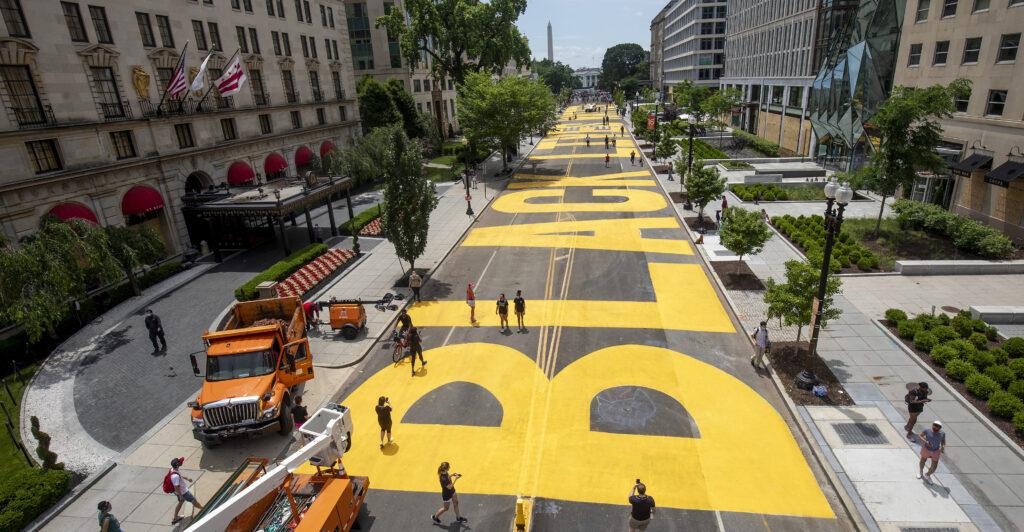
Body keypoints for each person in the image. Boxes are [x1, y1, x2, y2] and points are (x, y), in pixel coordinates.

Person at [170, 457, 204, 524]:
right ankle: (203, 509)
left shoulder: (172, 470)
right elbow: (176, 486)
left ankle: (175, 518)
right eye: (179, 462)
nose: (181, 463)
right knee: (194, 501)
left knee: (180, 502)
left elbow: (179, 476)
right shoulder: (175, 477)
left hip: (179, 492)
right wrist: (181, 495)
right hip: (183, 492)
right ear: (177, 465)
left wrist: (187, 478)